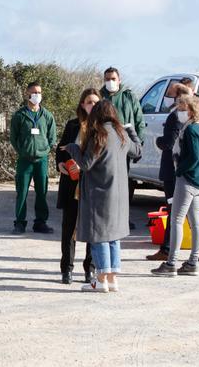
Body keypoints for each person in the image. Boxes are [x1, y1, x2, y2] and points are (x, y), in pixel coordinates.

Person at [65, 100, 141, 293]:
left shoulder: (99, 135)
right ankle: (112, 280)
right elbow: (137, 151)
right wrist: (131, 130)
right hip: (119, 194)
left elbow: (86, 164)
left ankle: (100, 281)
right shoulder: (121, 133)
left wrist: (73, 148)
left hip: (99, 193)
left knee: (99, 237)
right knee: (114, 236)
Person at [146, 83, 199, 262]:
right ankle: (194, 257)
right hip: (196, 181)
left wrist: (179, 171)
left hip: (183, 178)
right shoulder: (197, 127)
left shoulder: (189, 128)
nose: (177, 108)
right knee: (195, 219)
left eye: (181, 106)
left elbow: (189, 154)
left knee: (176, 218)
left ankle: (171, 258)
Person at [55, 88, 100, 285]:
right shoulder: (72, 125)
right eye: (88, 102)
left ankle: (89, 269)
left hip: (92, 185)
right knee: (68, 228)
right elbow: (61, 149)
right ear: (82, 104)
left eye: (95, 102)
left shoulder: (102, 127)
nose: (92, 105)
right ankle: (67, 269)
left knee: (92, 230)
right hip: (71, 182)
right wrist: (61, 164)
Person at [9, 81, 57, 234]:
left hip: (41, 160)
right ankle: (20, 223)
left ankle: (40, 222)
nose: (37, 95)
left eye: (39, 92)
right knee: (21, 191)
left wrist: (45, 150)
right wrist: (22, 151)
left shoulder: (47, 116)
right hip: (25, 160)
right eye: (34, 92)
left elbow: (52, 137)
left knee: (41, 192)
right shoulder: (19, 115)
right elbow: (13, 137)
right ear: (27, 94)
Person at [101, 67, 145, 227]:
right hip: (105, 147)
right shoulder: (100, 96)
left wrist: (138, 143)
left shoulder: (129, 96)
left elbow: (139, 119)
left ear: (119, 79)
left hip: (124, 146)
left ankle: (123, 217)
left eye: (113, 78)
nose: (110, 82)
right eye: (107, 79)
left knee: (124, 183)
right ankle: (107, 217)